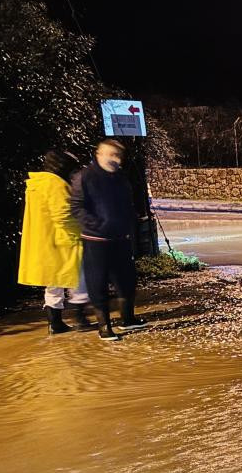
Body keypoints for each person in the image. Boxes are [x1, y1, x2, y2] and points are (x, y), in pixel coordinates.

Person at [70, 139, 147, 341]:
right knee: (98, 282)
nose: (114, 159)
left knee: (127, 279)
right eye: (110, 154)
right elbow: (77, 207)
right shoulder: (84, 176)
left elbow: (127, 203)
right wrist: (95, 224)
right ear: (99, 154)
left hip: (120, 238)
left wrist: (131, 220)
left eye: (117, 155)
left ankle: (127, 319)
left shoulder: (120, 178)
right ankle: (104, 326)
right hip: (96, 239)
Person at [18, 150, 94, 334]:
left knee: (54, 282)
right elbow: (63, 215)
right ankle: (79, 317)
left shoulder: (37, 184)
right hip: (63, 240)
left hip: (44, 239)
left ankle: (55, 322)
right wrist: (82, 231)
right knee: (79, 277)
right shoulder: (55, 184)